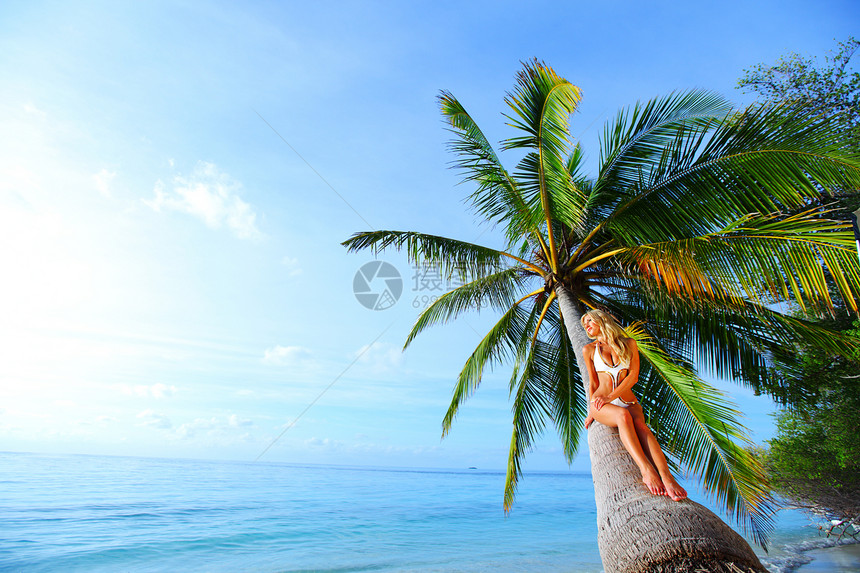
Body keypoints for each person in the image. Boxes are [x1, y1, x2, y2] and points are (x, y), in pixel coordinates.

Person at [581, 309, 687, 502]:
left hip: (627, 400)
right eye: (584, 324)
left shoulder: (629, 344)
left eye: (589, 321)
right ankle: (646, 470)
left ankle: (667, 477)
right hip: (601, 404)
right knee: (622, 417)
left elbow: (633, 376)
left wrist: (612, 396)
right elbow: (593, 383)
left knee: (642, 427)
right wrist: (592, 411)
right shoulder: (589, 350)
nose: (586, 326)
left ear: (601, 320)